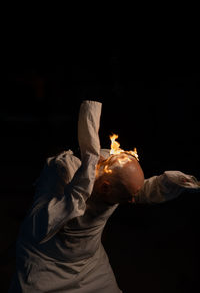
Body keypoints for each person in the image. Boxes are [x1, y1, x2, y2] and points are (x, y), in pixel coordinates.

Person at [9, 100, 200, 293]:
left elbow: (137, 191)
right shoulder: (63, 171)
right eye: (127, 197)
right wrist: (81, 189)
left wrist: (170, 183)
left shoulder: (113, 164)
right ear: (106, 187)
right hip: (47, 265)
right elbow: (38, 227)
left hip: (89, 266)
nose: (132, 200)